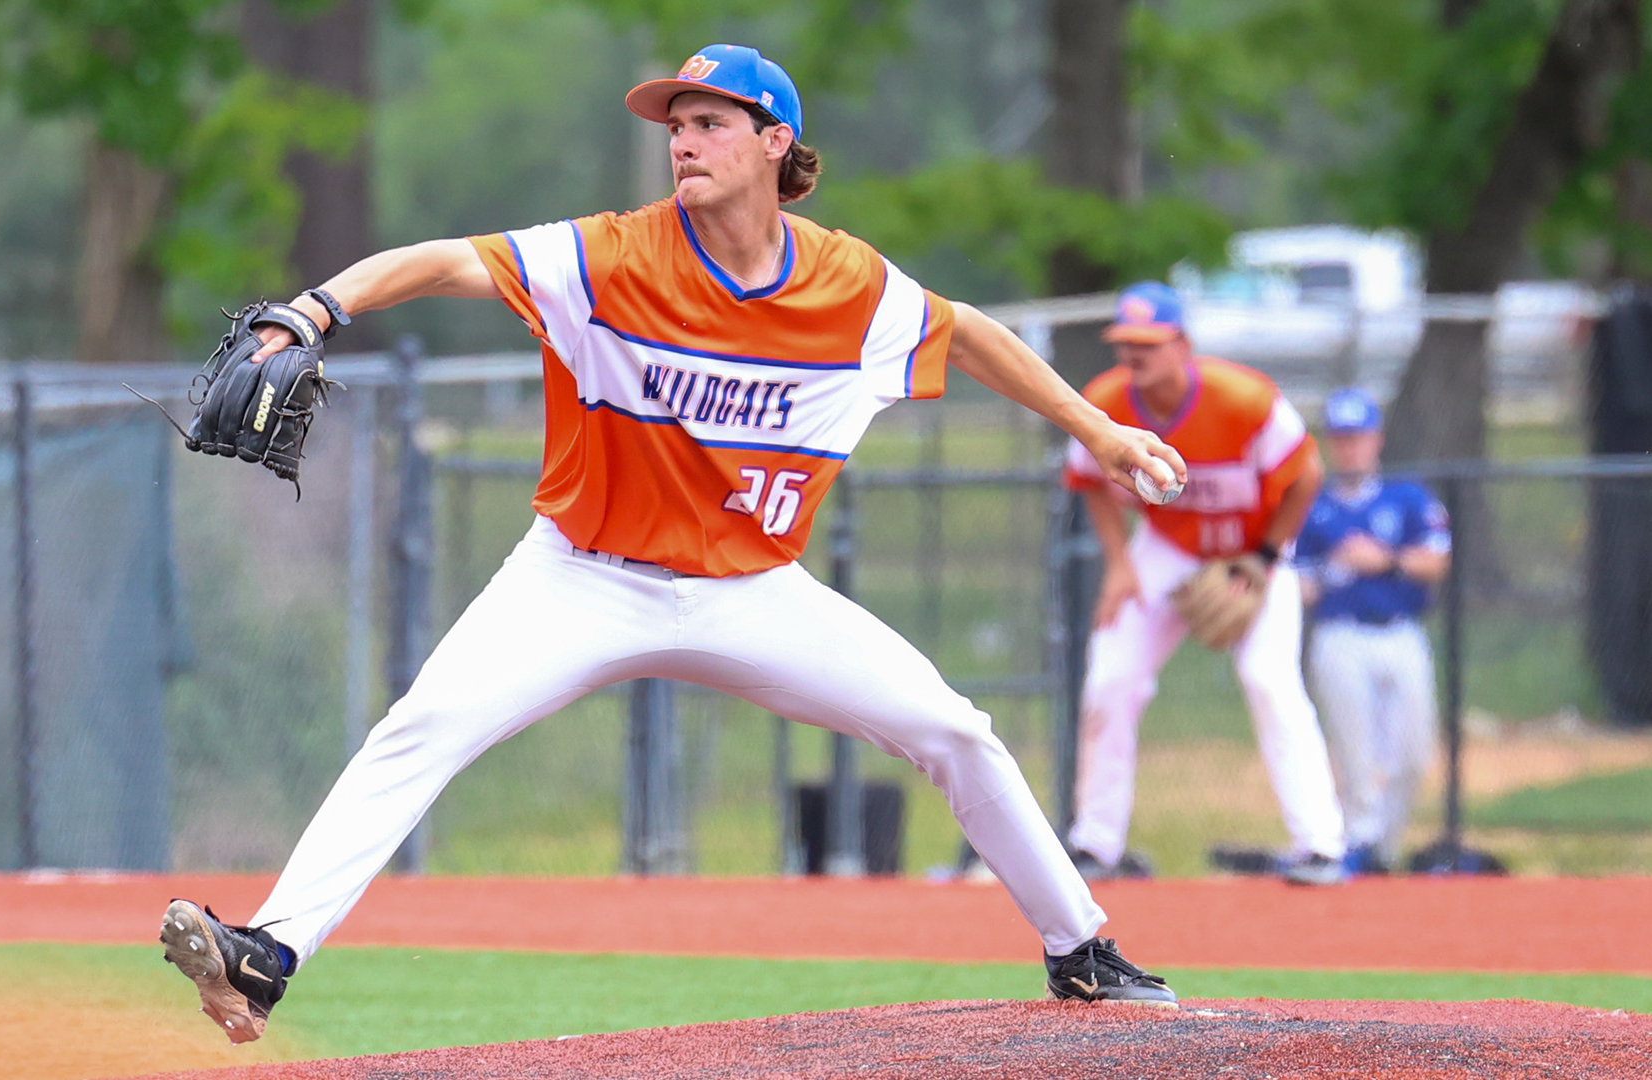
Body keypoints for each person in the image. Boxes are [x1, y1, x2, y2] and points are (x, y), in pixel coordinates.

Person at [157, 44, 1189, 1043]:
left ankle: (1082, 950)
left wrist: (1097, 429)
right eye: (674, 125)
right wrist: (316, 308)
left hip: (752, 590)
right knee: (422, 729)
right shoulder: (610, 253)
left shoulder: (848, 284)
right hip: (579, 578)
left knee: (955, 731)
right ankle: (268, 954)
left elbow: (966, 331)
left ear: (774, 141)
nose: (682, 141)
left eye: (708, 122)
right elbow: (448, 260)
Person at [1061, 281, 1348, 887]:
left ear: (1182, 344)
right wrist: (1119, 564)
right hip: (1168, 545)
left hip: (1256, 545)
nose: (1134, 355)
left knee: (1269, 679)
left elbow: (1307, 473)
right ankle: (1095, 843)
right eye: (1125, 343)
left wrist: (1266, 559)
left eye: (1149, 342)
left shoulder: (1244, 399)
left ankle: (1320, 845)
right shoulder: (1107, 400)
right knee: (1111, 678)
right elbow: (1087, 479)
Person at [1295, 388, 1450, 875]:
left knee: (1413, 749)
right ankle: (1360, 840)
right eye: (1342, 438)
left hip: (1400, 632)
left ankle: (1384, 843)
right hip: (1340, 635)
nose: (1351, 448)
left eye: (1358, 437)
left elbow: (1436, 560)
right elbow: (1296, 580)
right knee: (1354, 748)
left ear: (1376, 440)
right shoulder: (1313, 507)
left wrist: (1382, 561)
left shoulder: (1405, 497)